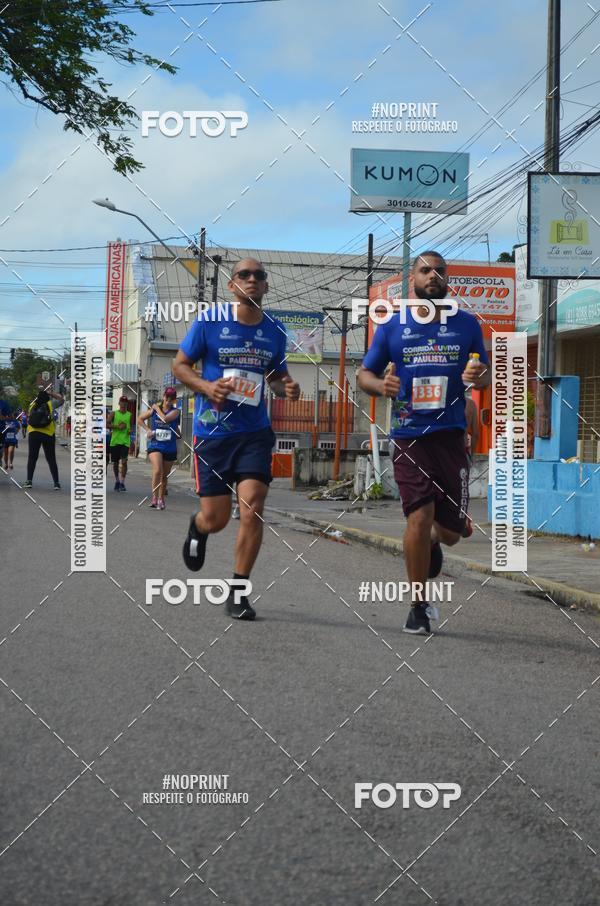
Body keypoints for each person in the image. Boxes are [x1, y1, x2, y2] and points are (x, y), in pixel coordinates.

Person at [358, 250, 491, 635]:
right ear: (412, 280)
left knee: (451, 533)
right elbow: (363, 374)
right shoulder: (392, 327)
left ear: (447, 280)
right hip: (409, 435)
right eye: (424, 270)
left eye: (439, 271)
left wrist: (479, 374)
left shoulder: (466, 325)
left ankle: (433, 537)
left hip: (450, 437)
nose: (433, 275)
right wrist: (380, 385)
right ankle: (418, 606)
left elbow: (484, 375)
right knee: (418, 515)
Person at [173, 257, 300, 621]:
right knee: (217, 519)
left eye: (259, 275)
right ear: (232, 285)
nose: (252, 279)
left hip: (254, 433)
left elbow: (275, 376)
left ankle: (239, 592)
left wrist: (287, 387)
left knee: (252, 506)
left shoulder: (274, 329)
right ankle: (198, 526)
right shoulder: (210, 321)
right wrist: (206, 386)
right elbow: (179, 366)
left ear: (266, 286)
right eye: (244, 274)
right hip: (213, 433)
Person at [138, 387, 181, 510]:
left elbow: (165, 419)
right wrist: (148, 430)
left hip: (169, 447)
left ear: (174, 400)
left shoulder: (176, 411)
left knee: (164, 476)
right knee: (157, 470)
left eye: (171, 399)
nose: (168, 401)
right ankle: (154, 498)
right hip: (156, 445)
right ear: (163, 396)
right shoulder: (154, 409)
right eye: (167, 398)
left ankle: (161, 499)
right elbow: (140, 419)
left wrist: (157, 408)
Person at [22, 387, 64, 489]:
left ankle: (29, 481)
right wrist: (51, 393)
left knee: (32, 458)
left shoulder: (32, 405)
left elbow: (29, 418)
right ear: (47, 398)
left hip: (34, 433)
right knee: (51, 459)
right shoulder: (51, 404)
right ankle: (56, 483)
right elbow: (61, 400)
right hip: (48, 434)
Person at [107, 396, 132, 491]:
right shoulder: (114, 413)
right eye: (122, 401)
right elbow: (106, 424)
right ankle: (117, 481)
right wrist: (117, 426)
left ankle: (122, 482)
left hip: (125, 442)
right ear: (119, 403)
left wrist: (130, 431)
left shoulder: (129, 415)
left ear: (127, 404)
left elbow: (130, 427)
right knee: (115, 463)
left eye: (125, 402)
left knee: (124, 462)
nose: (123, 403)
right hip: (115, 441)